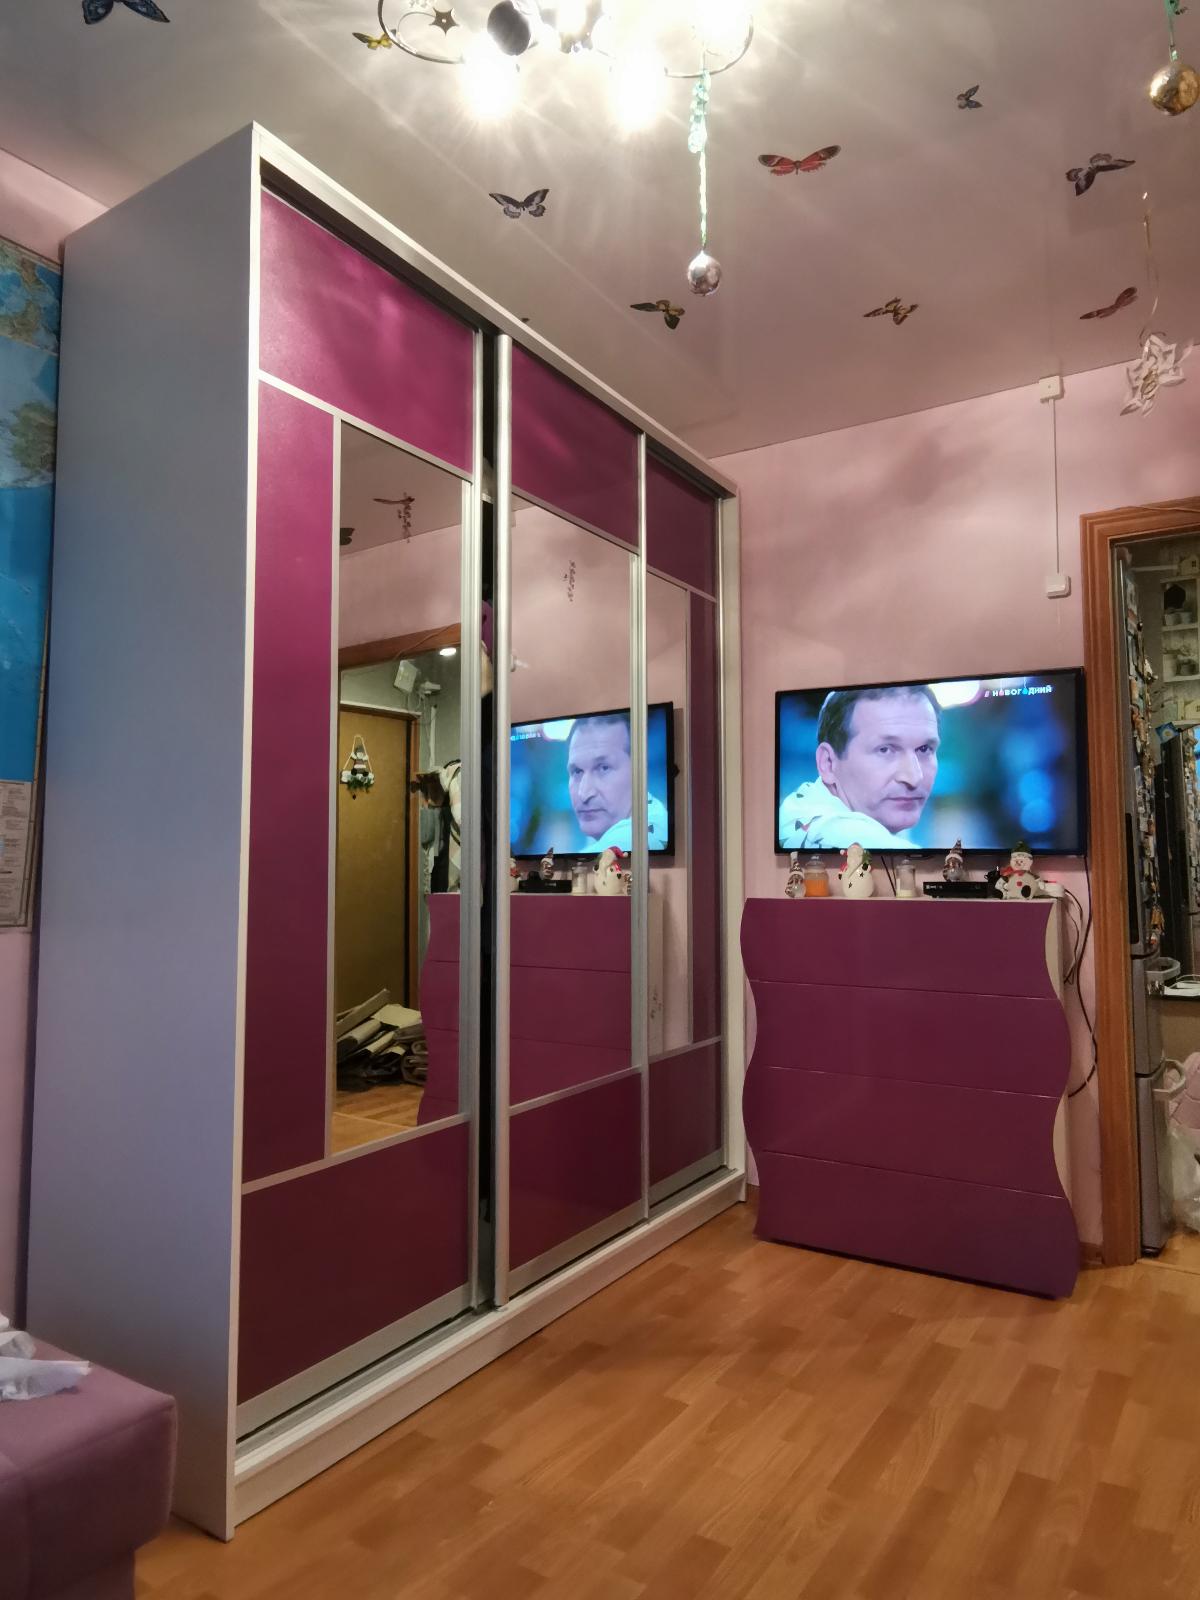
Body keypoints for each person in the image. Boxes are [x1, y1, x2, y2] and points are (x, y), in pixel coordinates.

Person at [779, 684, 941, 850]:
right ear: (828, 763)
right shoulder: (847, 842)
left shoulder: (805, 807)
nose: (914, 777)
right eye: (885, 749)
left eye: (924, 749)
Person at [567, 712, 669, 852]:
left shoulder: (630, 840)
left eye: (604, 768)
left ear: (639, 771)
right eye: (577, 771)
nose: (584, 793)